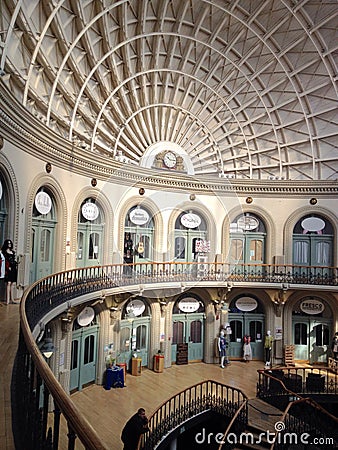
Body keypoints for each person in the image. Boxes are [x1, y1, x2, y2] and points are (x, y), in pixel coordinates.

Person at [1, 239, 18, 304]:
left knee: (12, 284)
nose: (9, 245)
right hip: (8, 268)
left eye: (10, 243)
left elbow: (14, 260)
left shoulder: (13, 252)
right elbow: (4, 261)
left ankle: (12, 299)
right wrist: (7, 267)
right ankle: (7, 300)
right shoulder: (4, 252)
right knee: (8, 283)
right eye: (8, 243)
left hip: (13, 268)